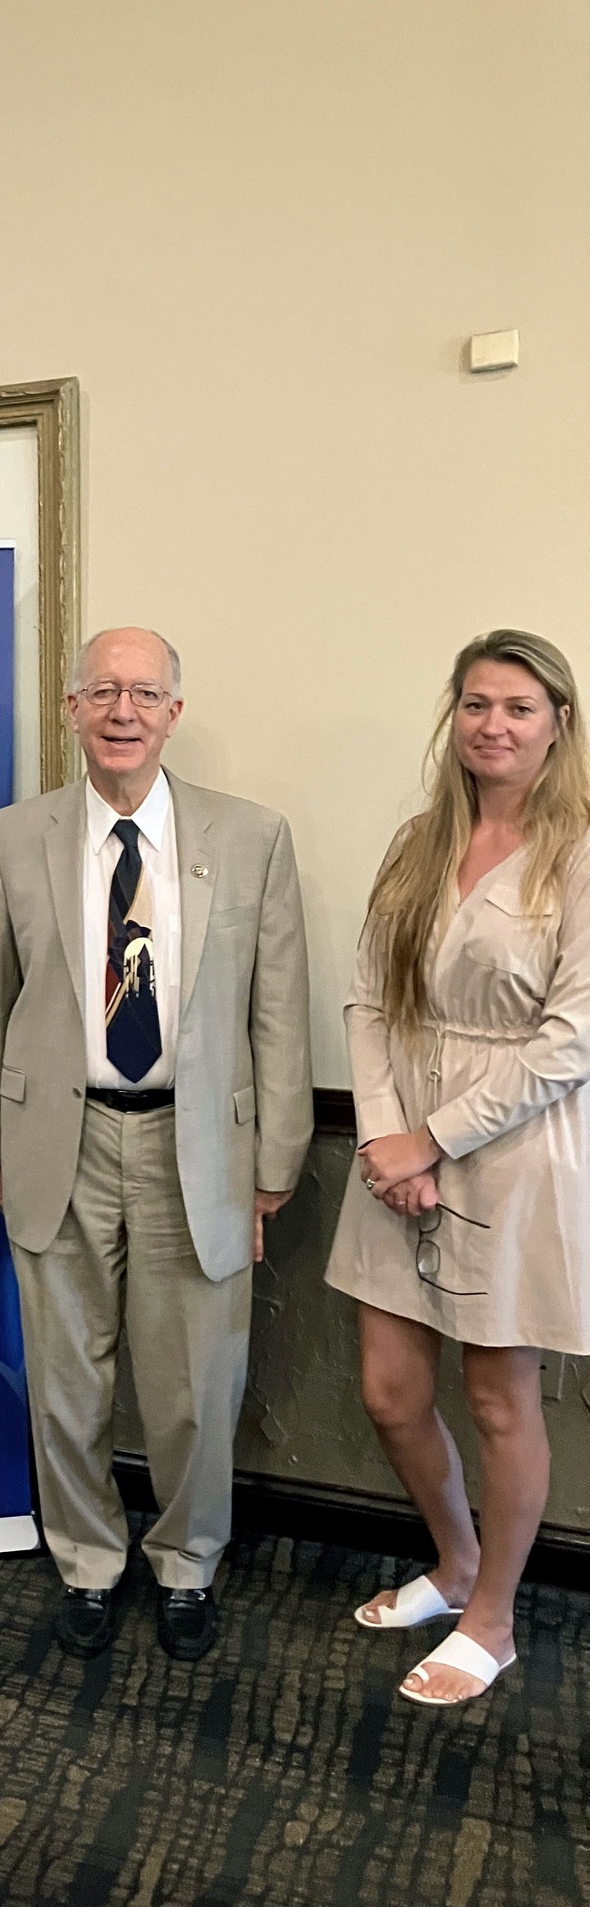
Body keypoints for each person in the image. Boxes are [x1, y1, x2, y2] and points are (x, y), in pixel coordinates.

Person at [0, 627, 312, 1662]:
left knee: (195, 1382)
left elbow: (280, 1012)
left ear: (173, 713)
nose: (124, 710)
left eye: (145, 693)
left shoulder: (251, 836)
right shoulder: (14, 836)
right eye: (103, 691)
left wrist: (277, 1163)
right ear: (72, 708)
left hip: (195, 1146)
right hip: (56, 1140)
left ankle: (187, 1560)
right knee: (67, 1378)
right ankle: (86, 1557)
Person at [326, 630, 590, 1705]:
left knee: (497, 1399)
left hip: (514, 1149)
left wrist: (433, 1140)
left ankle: (495, 1619)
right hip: (396, 1144)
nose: (495, 725)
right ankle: (455, 1562)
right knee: (391, 1392)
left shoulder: (580, 852)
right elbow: (368, 999)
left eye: (519, 707)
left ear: (558, 722)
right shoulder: (417, 842)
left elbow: (570, 1040)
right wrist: (387, 1140)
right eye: (478, 704)